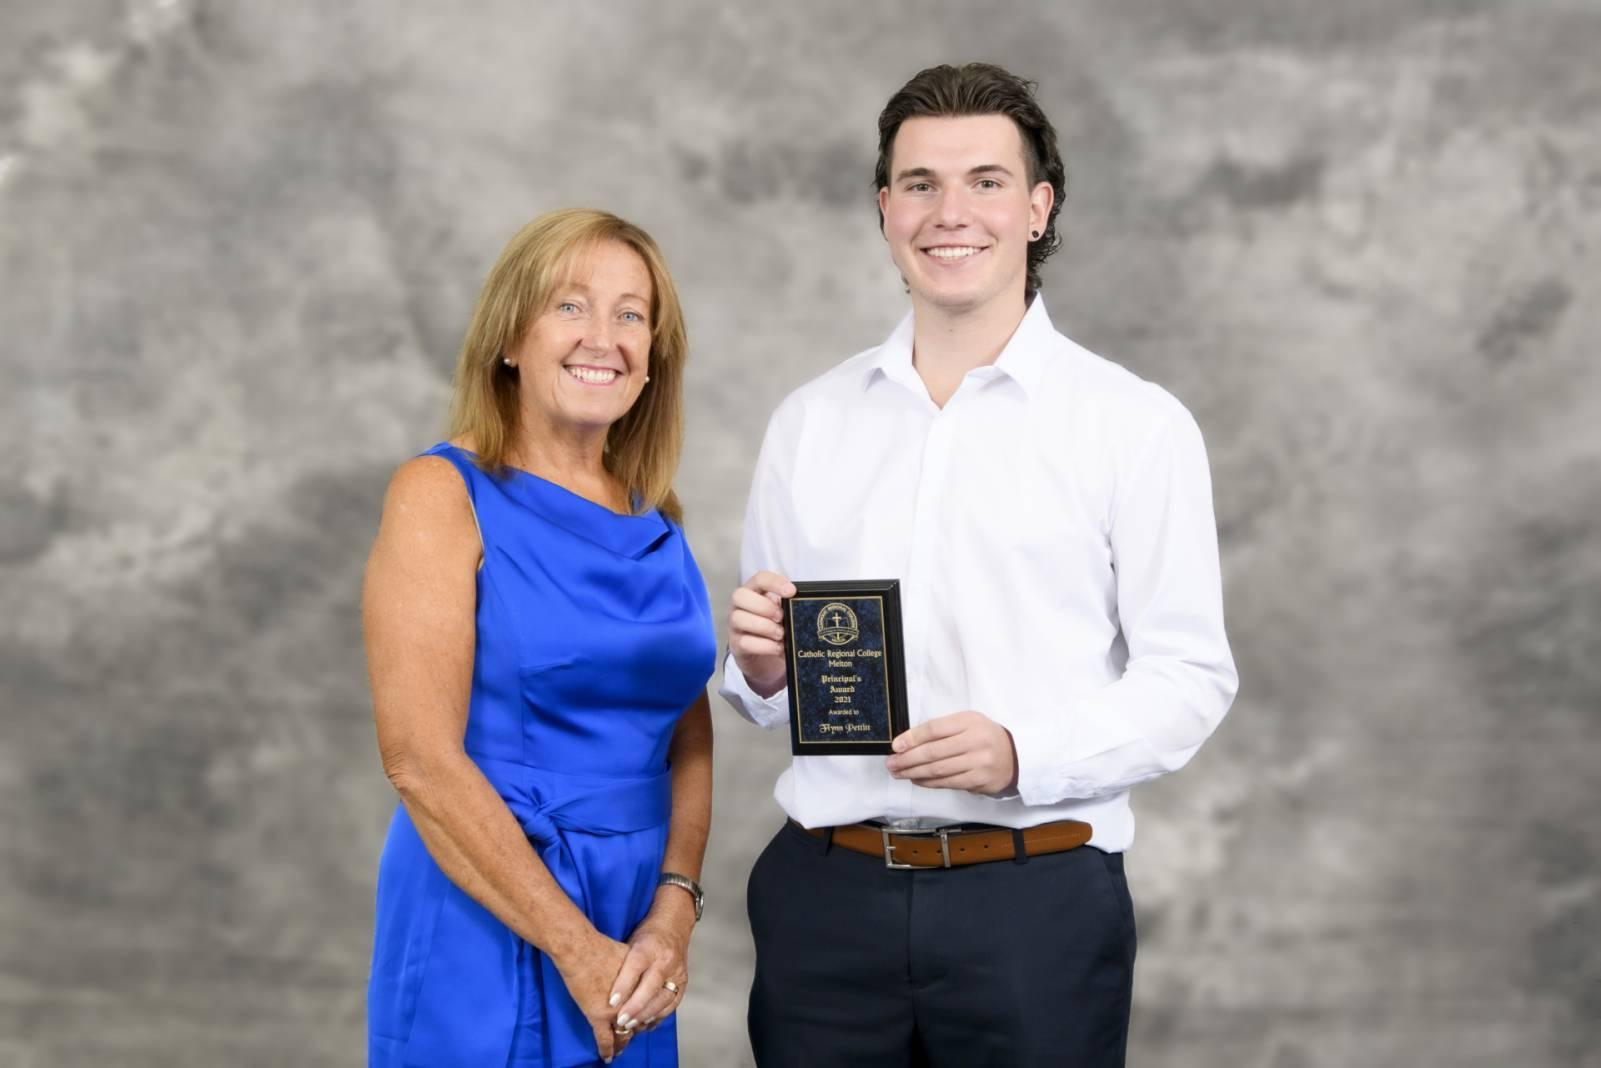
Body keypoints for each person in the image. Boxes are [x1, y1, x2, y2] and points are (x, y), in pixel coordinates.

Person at [721, 63, 1239, 1067]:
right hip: (825, 904)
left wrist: (1020, 755)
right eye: (919, 183)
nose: (948, 213)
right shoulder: (808, 422)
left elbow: (1188, 677)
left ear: (1037, 209)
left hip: (1033, 906)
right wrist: (761, 670)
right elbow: (767, 684)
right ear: (884, 208)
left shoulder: (1132, 425)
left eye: (985, 182)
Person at [364, 208, 716, 1067]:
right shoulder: (440, 492)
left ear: (652, 357)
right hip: (488, 900)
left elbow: (687, 730)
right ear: (510, 339)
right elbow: (418, 759)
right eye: (569, 305)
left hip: (634, 926)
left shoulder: (655, 517)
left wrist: (673, 909)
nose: (604, 337)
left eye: (631, 314)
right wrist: (573, 947)